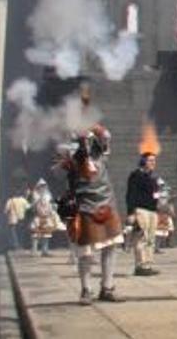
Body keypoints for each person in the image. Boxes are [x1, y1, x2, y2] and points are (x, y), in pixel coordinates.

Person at [53, 127, 125, 305]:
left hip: (106, 204)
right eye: (84, 141)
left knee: (110, 247)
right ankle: (86, 289)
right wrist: (74, 147)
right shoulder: (71, 158)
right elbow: (58, 170)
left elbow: (107, 135)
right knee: (86, 253)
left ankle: (107, 287)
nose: (87, 144)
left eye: (90, 141)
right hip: (84, 207)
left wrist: (90, 126)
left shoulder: (101, 154)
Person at [125, 152, 162, 276]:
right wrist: (131, 212)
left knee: (151, 239)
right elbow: (131, 195)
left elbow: (156, 194)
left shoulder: (153, 177)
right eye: (150, 160)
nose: (153, 163)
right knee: (141, 238)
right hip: (141, 210)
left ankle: (148, 264)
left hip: (152, 211)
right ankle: (140, 265)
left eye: (154, 161)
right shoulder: (136, 175)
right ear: (143, 162)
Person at [29, 179, 60, 257]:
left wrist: (53, 209)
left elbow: (51, 204)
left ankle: (44, 251)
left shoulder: (48, 195)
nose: (43, 188)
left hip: (46, 217)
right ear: (38, 187)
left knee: (46, 235)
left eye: (44, 186)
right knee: (35, 234)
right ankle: (34, 251)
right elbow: (32, 206)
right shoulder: (35, 195)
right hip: (38, 217)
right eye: (41, 186)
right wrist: (37, 203)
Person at [4, 187, 31, 251]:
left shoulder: (10, 200)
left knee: (13, 233)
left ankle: (15, 245)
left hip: (12, 219)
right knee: (20, 233)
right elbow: (28, 207)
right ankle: (20, 245)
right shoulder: (23, 200)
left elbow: (5, 210)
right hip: (21, 218)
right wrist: (27, 197)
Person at [155, 178, 176, 252]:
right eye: (160, 185)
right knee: (158, 232)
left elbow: (168, 201)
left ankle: (160, 246)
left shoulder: (164, 193)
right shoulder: (156, 194)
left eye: (162, 185)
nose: (161, 187)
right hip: (158, 214)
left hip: (165, 214)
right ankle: (157, 248)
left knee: (163, 231)